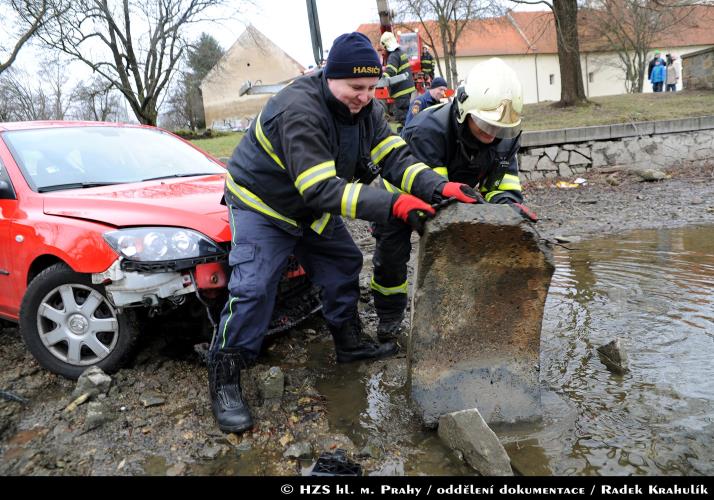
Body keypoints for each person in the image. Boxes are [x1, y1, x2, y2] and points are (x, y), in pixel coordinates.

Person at [209, 32, 480, 434]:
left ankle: (349, 343)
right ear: (330, 76)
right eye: (357, 87)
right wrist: (394, 205)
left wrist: (437, 187)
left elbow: (395, 156)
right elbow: (319, 187)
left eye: (372, 88)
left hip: (310, 207)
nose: (365, 97)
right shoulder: (299, 109)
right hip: (262, 204)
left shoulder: (365, 108)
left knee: (343, 262)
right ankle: (225, 376)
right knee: (253, 287)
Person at [370, 58, 538, 342]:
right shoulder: (427, 130)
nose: (491, 135)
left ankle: (463, 317)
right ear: (464, 109)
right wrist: (479, 212)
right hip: (401, 195)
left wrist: (508, 210)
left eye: (500, 128)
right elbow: (438, 198)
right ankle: (390, 318)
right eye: (485, 124)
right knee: (392, 258)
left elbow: (502, 182)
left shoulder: (505, 136)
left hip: (453, 189)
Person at [380, 31, 416, 127]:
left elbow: (391, 71)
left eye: (383, 47)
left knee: (402, 116)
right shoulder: (400, 52)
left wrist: (382, 77)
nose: (383, 50)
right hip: (406, 90)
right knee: (407, 114)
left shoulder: (393, 56)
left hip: (401, 91)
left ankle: (406, 135)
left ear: (386, 45)